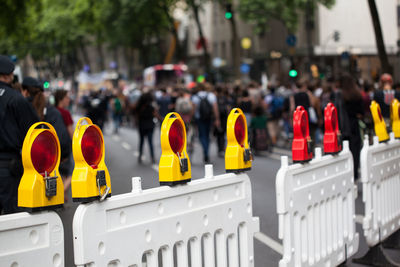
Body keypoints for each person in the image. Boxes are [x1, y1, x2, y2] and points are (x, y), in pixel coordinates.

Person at [0, 55, 39, 214]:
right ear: (9, 75)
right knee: (14, 220)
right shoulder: (16, 99)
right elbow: (34, 133)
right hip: (9, 168)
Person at [192, 83, 220, 163]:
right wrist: (217, 119)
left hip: (199, 118)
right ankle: (206, 151)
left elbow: (194, 109)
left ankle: (205, 151)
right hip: (209, 118)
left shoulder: (195, 97)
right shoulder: (211, 96)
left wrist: (191, 117)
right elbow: (215, 108)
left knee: (202, 135)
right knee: (207, 135)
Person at [54, 89, 74, 197]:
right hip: (66, 148)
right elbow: (71, 132)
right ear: (61, 99)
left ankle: (62, 197)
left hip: (54, 147)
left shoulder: (51, 111)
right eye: (67, 97)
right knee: (73, 173)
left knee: (61, 173)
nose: (69, 99)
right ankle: (60, 194)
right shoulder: (65, 113)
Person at [135, 93, 158, 164]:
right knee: (150, 142)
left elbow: (136, 116)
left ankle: (140, 156)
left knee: (141, 142)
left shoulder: (139, 107)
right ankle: (152, 157)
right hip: (150, 126)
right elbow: (156, 115)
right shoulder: (151, 107)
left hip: (142, 126)